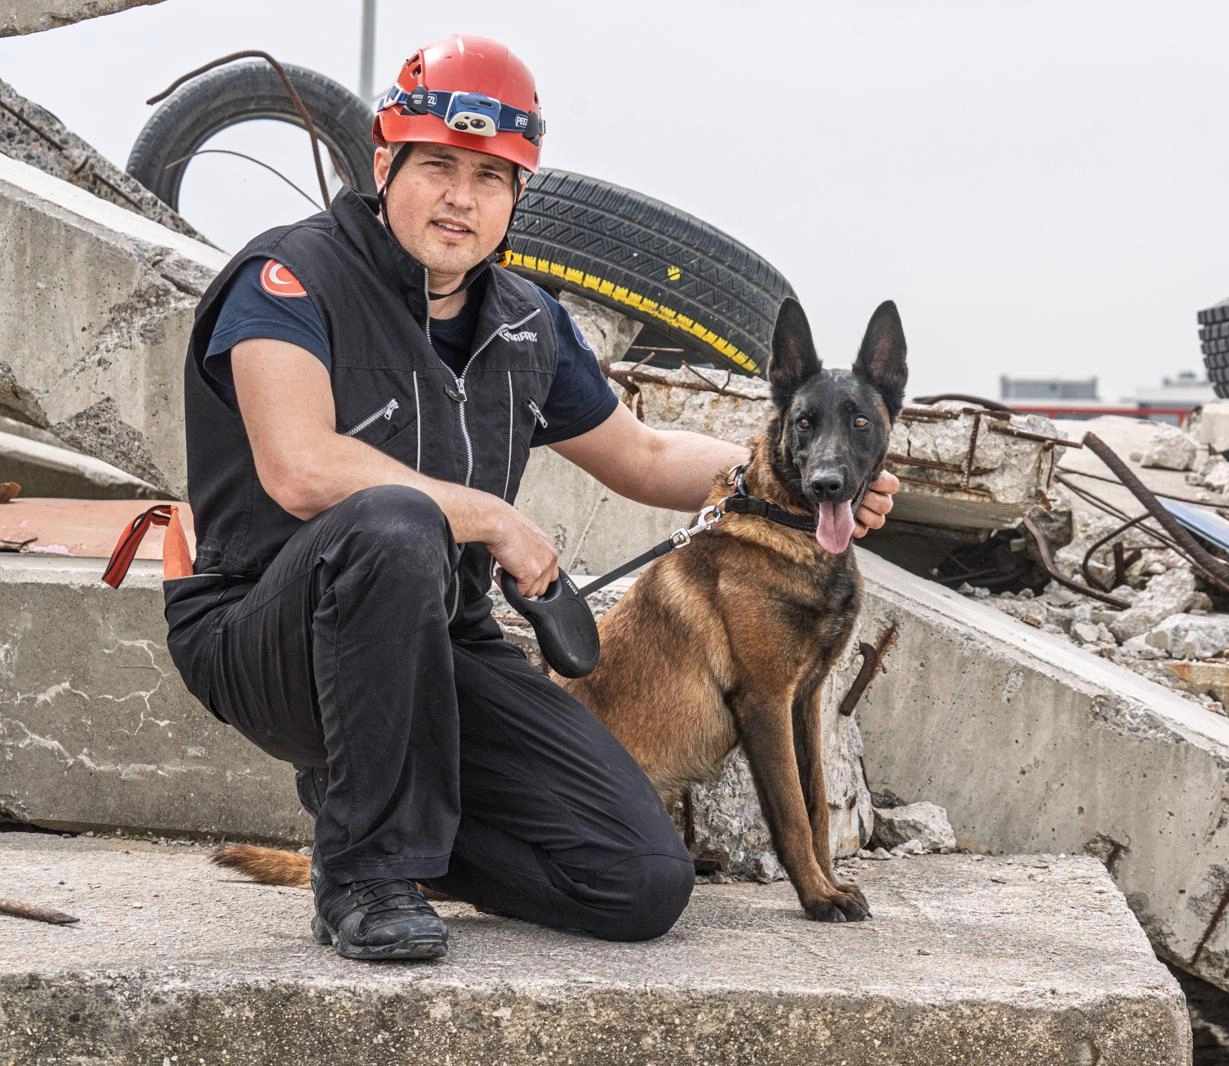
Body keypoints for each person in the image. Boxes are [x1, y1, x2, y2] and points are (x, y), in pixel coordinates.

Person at [162, 33, 897, 961]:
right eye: (437, 166)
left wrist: (795, 477)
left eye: (491, 176)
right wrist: (489, 517)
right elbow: (300, 467)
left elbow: (644, 455)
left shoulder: (525, 322)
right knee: (393, 523)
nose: (461, 198)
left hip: (440, 641)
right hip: (269, 636)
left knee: (640, 882)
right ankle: (363, 870)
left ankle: (410, 829)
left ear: (518, 195)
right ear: (384, 165)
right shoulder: (290, 277)